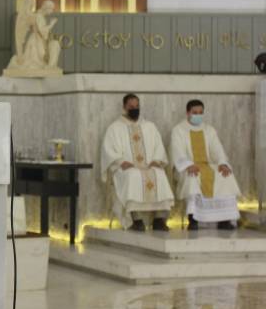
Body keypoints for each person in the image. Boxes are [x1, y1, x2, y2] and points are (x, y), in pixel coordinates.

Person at [101, 94, 174, 231]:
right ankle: (135, 219)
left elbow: (159, 147)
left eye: (137, 106)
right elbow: (109, 150)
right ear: (124, 107)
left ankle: (159, 219)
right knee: (133, 175)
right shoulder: (115, 128)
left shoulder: (149, 126)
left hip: (149, 165)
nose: (135, 109)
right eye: (131, 107)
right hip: (126, 167)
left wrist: (156, 160)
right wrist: (121, 161)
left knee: (159, 174)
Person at [170, 99, 240, 230]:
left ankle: (224, 219)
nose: (198, 115)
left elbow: (217, 149)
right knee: (192, 177)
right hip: (188, 167)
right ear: (188, 113)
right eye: (195, 112)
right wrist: (188, 165)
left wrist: (222, 163)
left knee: (225, 175)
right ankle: (193, 219)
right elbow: (177, 151)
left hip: (207, 165)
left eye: (200, 113)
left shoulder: (209, 130)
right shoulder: (178, 130)